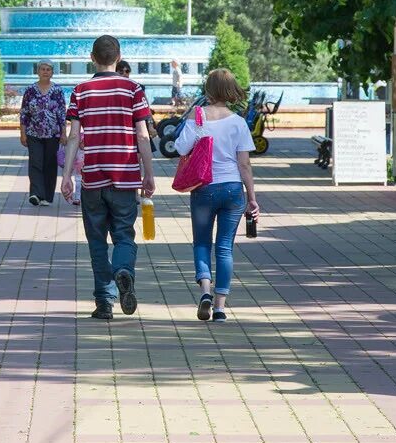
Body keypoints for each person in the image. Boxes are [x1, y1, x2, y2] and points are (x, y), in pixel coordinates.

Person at [61, 35, 156, 320]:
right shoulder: (133, 90)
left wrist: (67, 177)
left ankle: (104, 303)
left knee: (96, 241)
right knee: (124, 234)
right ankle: (123, 269)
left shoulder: (81, 90)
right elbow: (142, 134)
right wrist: (148, 174)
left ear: (92, 57)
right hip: (126, 177)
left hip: (93, 179)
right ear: (119, 56)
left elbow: (74, 136)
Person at [173, 68, 259, 322]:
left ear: (208, 89)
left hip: (204, 187)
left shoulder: (198, 116)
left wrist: (194, 127)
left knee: (201, 242)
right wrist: (252, 198)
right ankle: (220, 308)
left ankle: (205, 292)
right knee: (225, 248)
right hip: (233, 189)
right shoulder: (238, 122)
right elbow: (244, 164)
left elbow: (180, 148)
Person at [19, 61, 66, 206]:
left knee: (50, 165)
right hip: (34, 133)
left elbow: (62, 113)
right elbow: (24, 113)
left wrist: (64, 133)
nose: (45, 72)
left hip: (53, 134)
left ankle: (47, 196)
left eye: (48, 69)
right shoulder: (30, 90)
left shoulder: (57, 90)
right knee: (35, 163)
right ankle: (35, 194)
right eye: (43, 69)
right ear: (38, 71)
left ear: (52, 72)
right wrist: (23, 133)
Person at [116, 59, 158, 141]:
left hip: (136, 128)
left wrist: (150, 126)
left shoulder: (137, 88)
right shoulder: (111, 89)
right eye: (121, 72)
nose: (124, 74)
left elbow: (146, 109)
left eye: (127, 71)